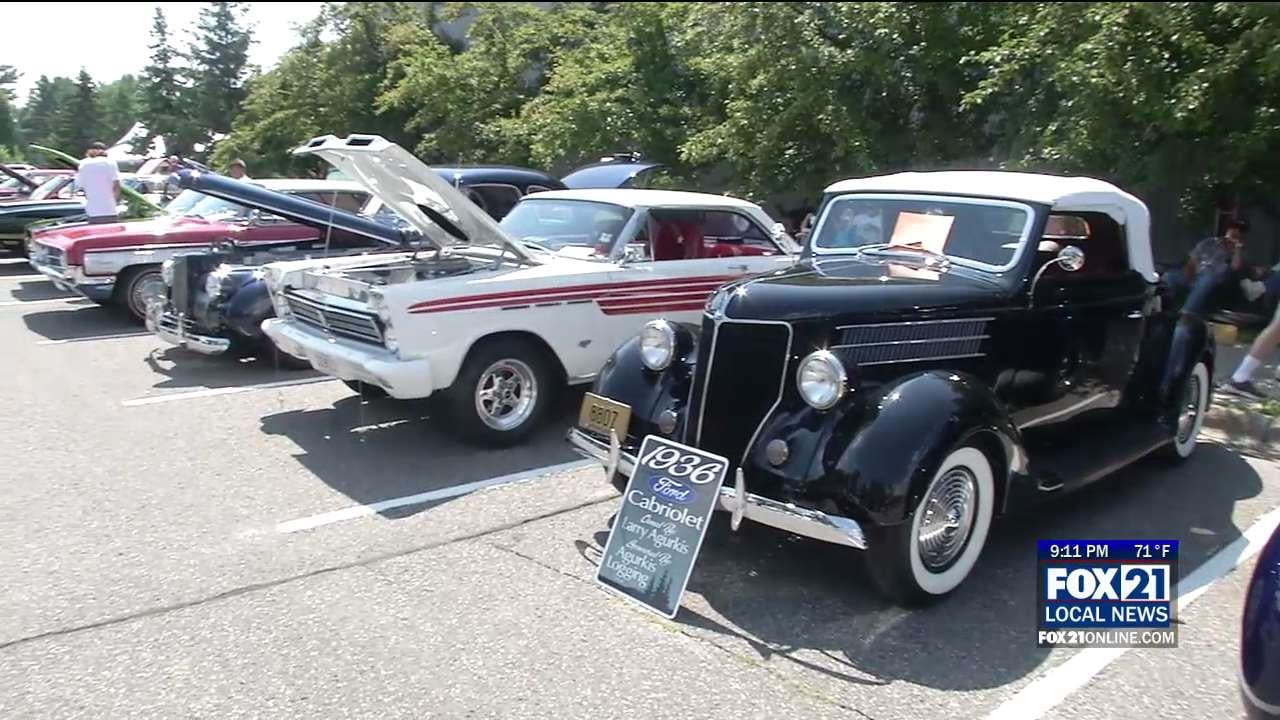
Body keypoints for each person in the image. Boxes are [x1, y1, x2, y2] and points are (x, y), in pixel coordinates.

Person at [1162, 219, 1250, 399]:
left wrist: (1236, 249)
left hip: (1214, 280)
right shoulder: (1209, 242)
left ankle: (1186, 314)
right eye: (1233, 231)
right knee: (1170, 277)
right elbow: (1192, 261)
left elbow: (1235, 268)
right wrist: (1189, 277)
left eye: (1238, 233)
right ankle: (1161, 308)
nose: (1234, 234)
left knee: (1206, 280)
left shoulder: (1234, 252)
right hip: (1196, 274)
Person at [76, 141, 121, 224]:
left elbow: (81, 187)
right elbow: (117, 185)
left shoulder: (83, 164)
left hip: (92, 210)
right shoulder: (110, 162)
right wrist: (114, 201)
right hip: (109, 209)